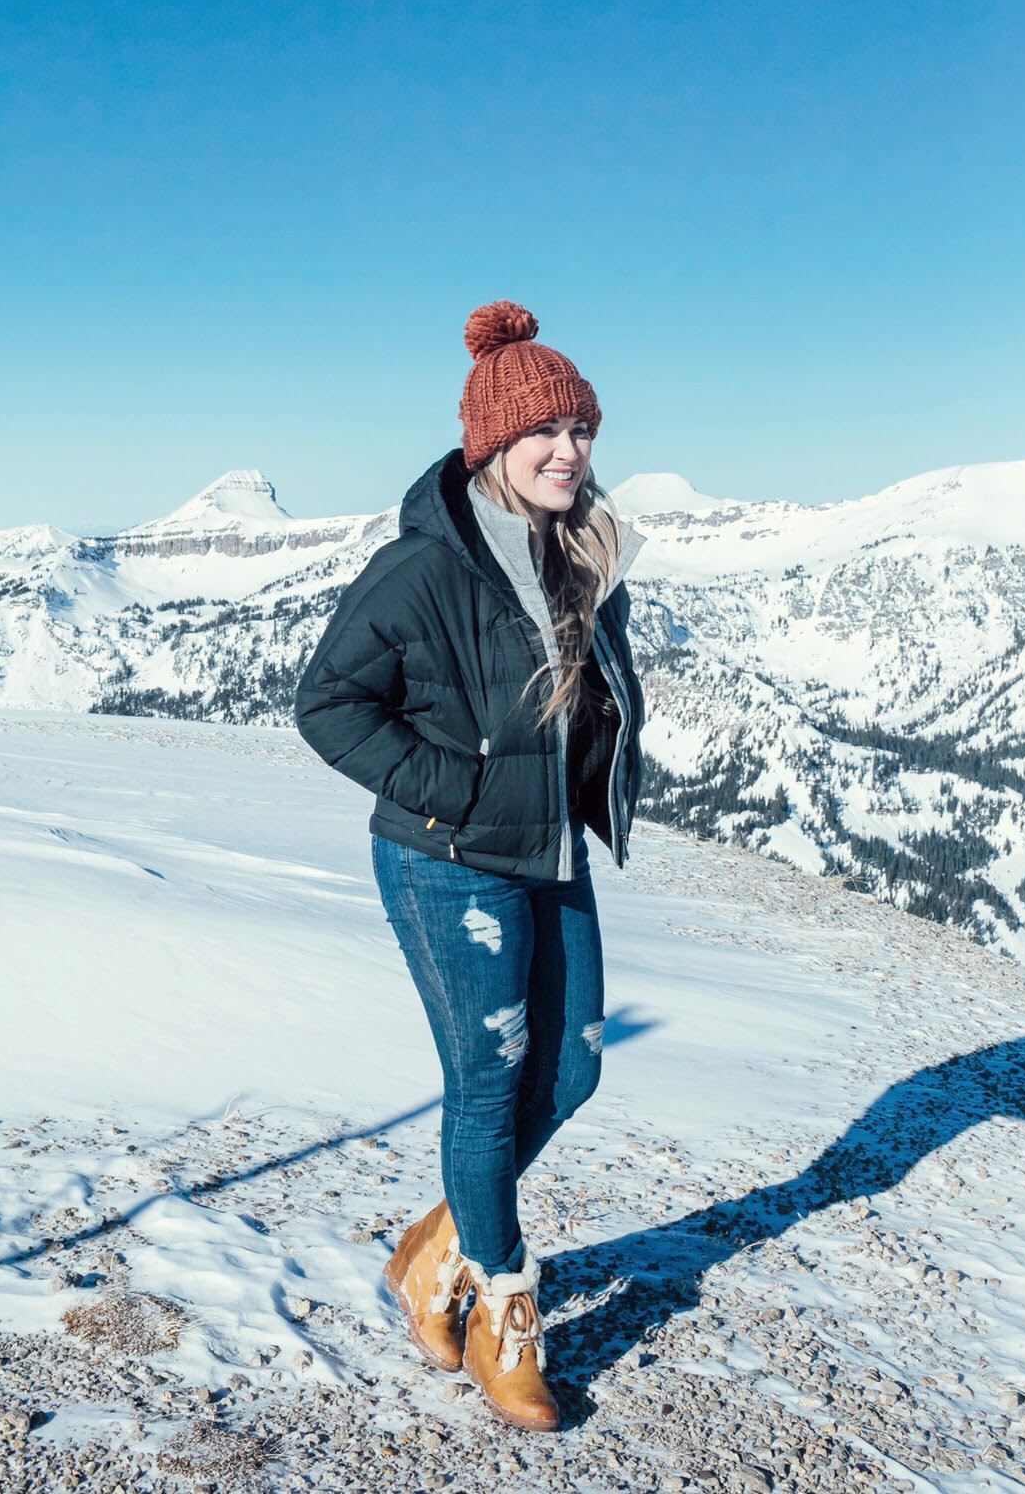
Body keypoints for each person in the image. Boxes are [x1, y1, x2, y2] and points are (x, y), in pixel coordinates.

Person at [294, 299, 645, 1431]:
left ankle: (438, 1239)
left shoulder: (583, 555)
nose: (569, 451)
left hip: (546, 855)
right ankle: (497, 1305)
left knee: (575, 1068)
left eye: (582, 429)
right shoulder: (424, 569)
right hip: (450, 864)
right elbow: (326, 702)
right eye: (545, 432)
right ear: (492, 445)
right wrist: (458, 790)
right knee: (489, 1089)